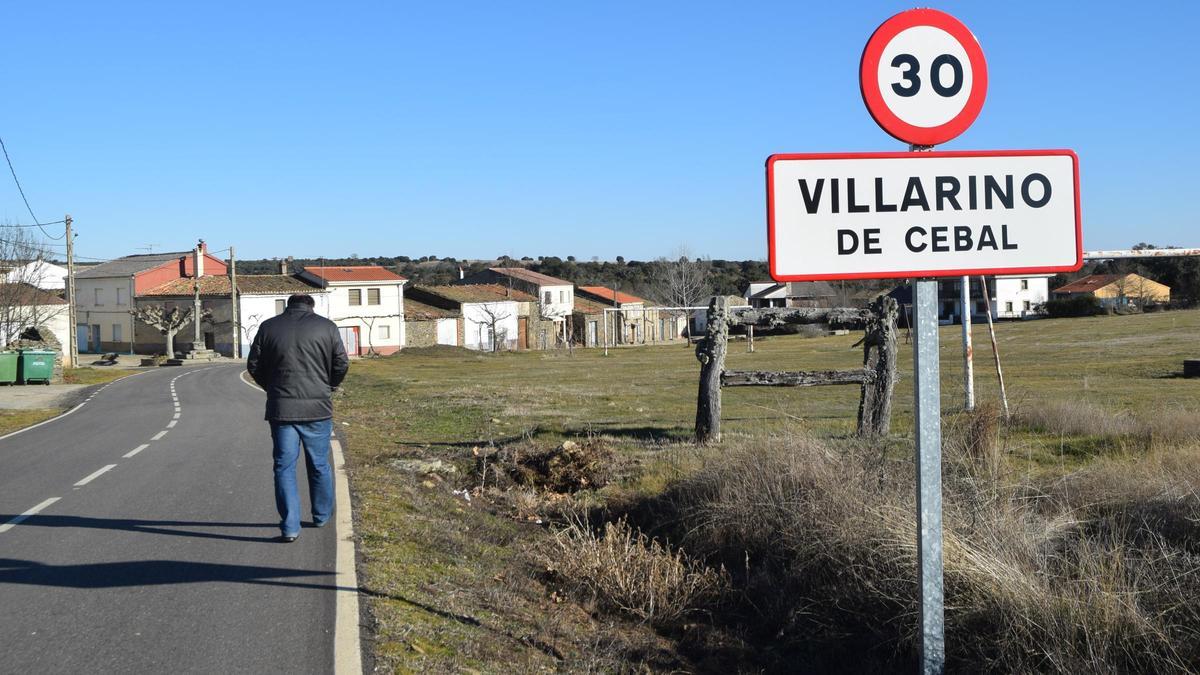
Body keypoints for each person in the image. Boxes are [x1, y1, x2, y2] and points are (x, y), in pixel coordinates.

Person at [247, 294, 349, 542]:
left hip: (282, 410)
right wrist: (329, 386)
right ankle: (321, 515)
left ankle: (290, 526)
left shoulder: (268, 327)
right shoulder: (327, 327)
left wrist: (272, 387)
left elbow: (253, 365)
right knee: (319, 464)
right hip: (317, 409)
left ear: (288, 305)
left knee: (284, 467)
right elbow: (341, 363)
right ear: (311, 306)